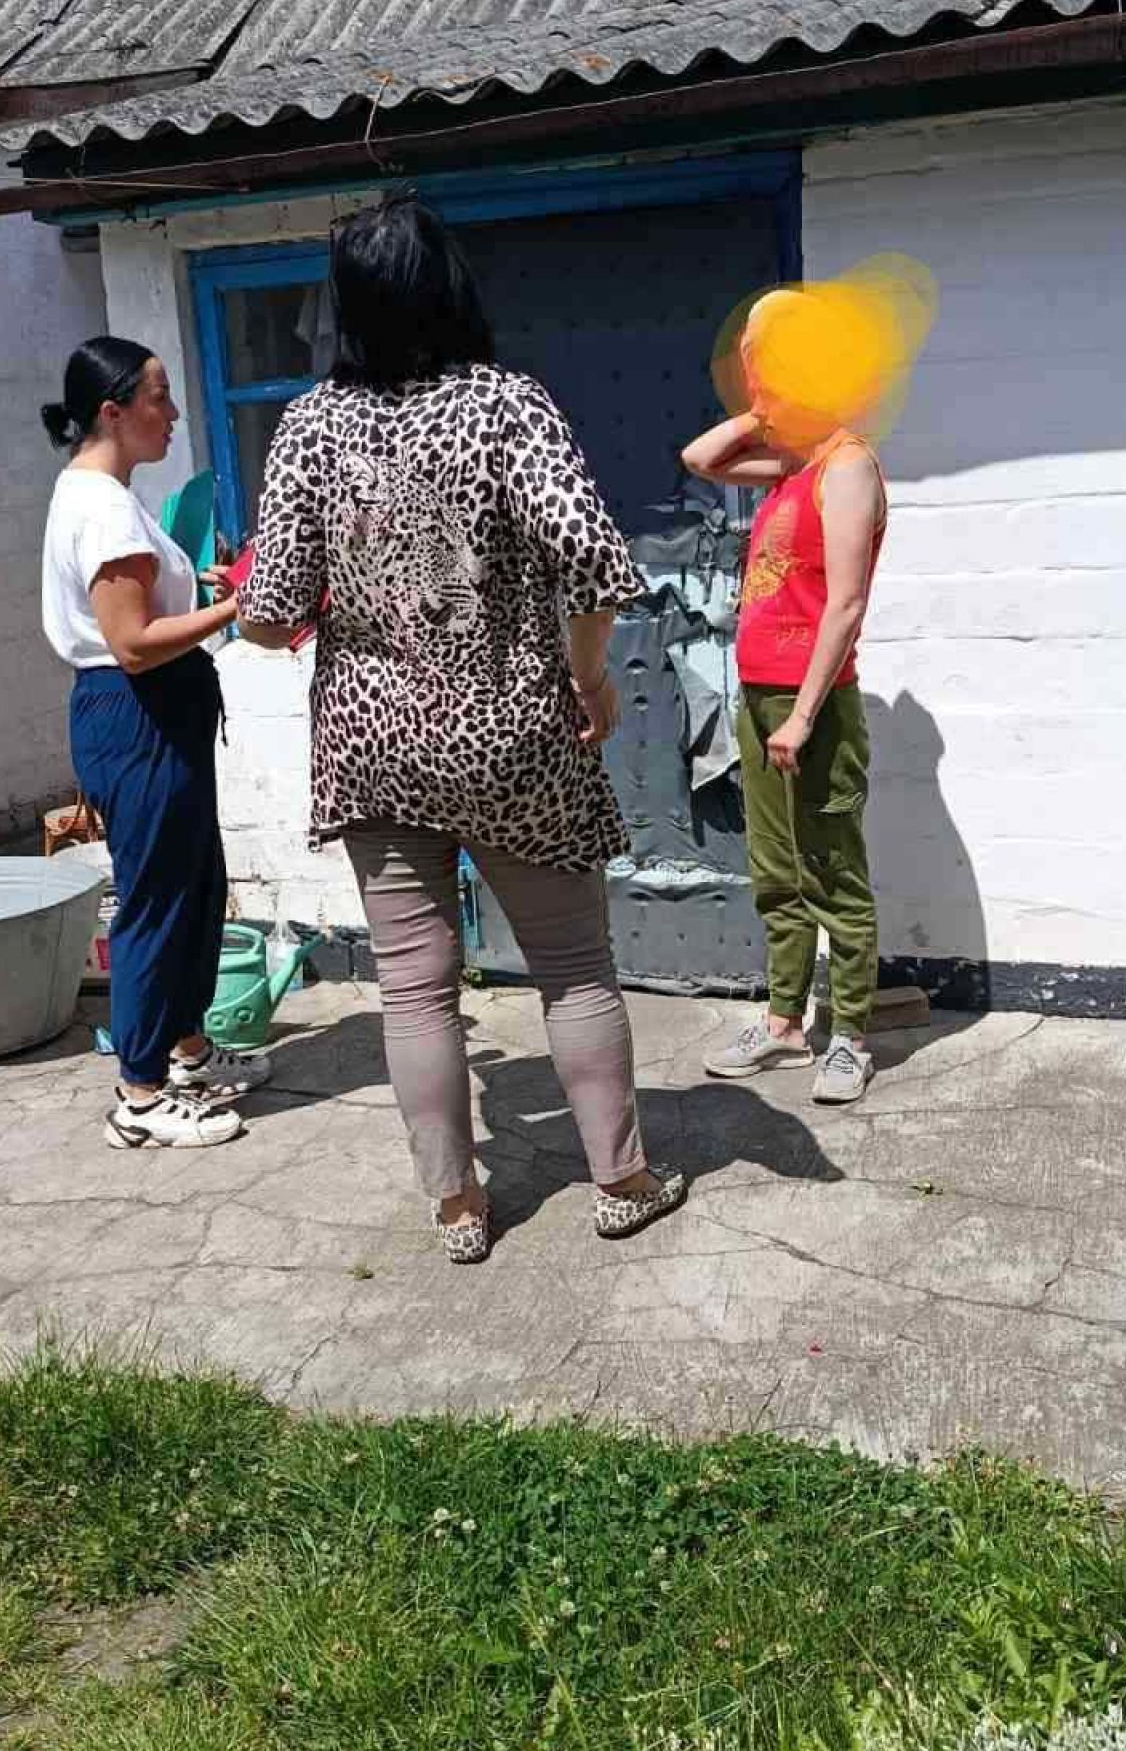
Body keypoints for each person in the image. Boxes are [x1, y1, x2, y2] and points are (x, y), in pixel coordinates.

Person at [235, 196, 687, 1261]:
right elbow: (590, 556)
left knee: (413, 986)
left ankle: (457, 1207)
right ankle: (621, 1181)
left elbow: (267, 616)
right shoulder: (507, 405)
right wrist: (588, 676)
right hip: (512, 731)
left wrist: (285, 601)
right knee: (573, 969)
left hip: (373, 744)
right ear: (450, 287)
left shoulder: (310, 426)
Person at [40, 337, 268, 1151]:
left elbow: (142, 601)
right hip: (136, 711)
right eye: (158, 398)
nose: (172, 414)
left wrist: (202, 586)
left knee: (194, 884)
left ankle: (186, 1049)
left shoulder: (110, 496)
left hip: (157, 710)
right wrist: (238, 606)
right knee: (157, 899)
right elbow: (133, 643)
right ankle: (138, 1094)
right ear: (113, 412)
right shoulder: (101, 507)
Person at [682, 398, 888, 1104]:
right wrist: (757, 416)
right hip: (762, 697)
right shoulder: (792, 465)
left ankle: (851, 1037)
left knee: (832, 873)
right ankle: (785, 1027)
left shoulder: (849, 465)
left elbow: (846, 604)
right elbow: (699, 459)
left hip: (815, 707)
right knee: (776, 872)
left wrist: (801, 717)